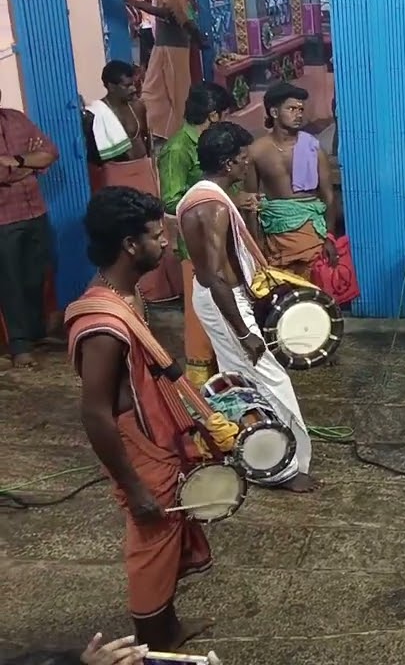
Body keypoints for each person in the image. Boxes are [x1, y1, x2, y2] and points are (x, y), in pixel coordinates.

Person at [65, 187, 223, 650]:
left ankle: (167, 627)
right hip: (139, 449)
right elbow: (95, 413)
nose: (166, 243)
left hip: (157, 436)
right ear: (130, 245)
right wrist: (134, 488)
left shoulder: (127, 294)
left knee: (168, 535)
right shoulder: (104, 325)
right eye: (157, 236)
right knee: (151, 544)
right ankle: (153, 645)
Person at [177, 122, 318, 492]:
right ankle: (287, 469)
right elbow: (214, 276)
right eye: (242, 159)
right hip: (224, 301)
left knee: (240, 385)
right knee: (272, 380)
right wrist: (243, 332)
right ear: (227, 163)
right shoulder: (212, 207)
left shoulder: (205, 196)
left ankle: (256, 458)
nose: (246, 165)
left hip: (222, 298)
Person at [157, 82, 241, 386]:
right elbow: (171, 199)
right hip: (196, 243)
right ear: (214, 114)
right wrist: (217, 200)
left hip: (221, 237)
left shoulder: (211, 143)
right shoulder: (178, 148)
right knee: (200, 315)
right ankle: (199, 384)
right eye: (226, 114)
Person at [85, 60, 184, 304]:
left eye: (134, 84)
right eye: (126, 85)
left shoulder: (138, 106)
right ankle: (138, 288)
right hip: (116, 174)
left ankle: (161, 287)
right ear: (110, 86)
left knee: (153, 227)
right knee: (129, 230)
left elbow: (146, 141)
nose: (132, 89)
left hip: (142, 171)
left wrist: (151, 169)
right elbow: (94, 155)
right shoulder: (96, 114)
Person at [245, 82, 338, 279]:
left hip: (311, 232)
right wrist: (256, 245)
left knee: (314, 290)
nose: (298, 114)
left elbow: (329, 197)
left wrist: (330, 236)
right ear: (274, 112)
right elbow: (250, 203)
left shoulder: (313, 148)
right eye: (291, 109)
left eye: (301, 110)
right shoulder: (257, 151)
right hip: (275, 234)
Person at [0, 90, 60, 370]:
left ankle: (36, 334)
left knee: (37, 276)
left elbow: (50, 153)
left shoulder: (16, 119)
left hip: (35, 210)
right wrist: (29, 162)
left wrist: (17, 161)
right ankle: (20, 346)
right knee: (10, 283)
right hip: (4, 219)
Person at [130, 0, 199, 142]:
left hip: (173, 45)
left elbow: (169, 11)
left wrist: (133, 2)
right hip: (163, 43)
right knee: (154, 91)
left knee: (177, 92)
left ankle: (181, 133)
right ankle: (159, 130)